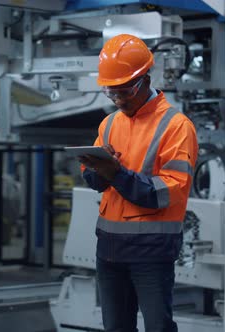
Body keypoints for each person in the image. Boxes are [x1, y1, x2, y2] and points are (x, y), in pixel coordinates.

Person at [79, 34, 198, 332]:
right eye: (112, 93)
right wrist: (98, 168)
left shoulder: (177, 127)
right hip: (109, 249)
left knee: (158, 327)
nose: (118, 100)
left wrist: (116, 173)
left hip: (151, 252)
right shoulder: (109, 124)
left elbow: (165, 192)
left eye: (124, 92)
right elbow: (94, 182)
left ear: (144, 79)